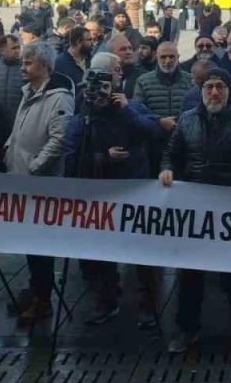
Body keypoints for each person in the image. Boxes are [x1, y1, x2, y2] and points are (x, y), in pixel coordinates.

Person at [159, 67, 231, 357]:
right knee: (190, 275)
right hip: (196, 211)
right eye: (209, 87)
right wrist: (166, 169)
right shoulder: (187, 120)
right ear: (201, 90)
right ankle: (186, 329)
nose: (214, 92)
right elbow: (170, 154)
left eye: (220, 86)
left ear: (229, 90)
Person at [63, 53, 161, 326]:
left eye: (107, 82)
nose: (102, 90)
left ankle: (148, 303)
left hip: (135, 189)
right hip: (102, 192)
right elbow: (72, 156)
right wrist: (103, 157)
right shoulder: (84, 113)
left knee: (143, 251)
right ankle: (107, 299)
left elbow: (154, 132)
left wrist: (126, 110)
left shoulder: (131, 105)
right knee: (103, 250)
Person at [4, 42, 74, 326]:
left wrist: (35, 166)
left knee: (41, 245)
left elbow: (59, 139)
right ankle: (34, 289)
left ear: (44, 66)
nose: (23, 67)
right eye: (23, 62)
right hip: (21, 178)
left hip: (41, 183)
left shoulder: (59, 98)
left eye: (28, 63)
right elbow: (19, 130)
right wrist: (9, 150)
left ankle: (43, 299)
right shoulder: (28, 92)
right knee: (28, 242)